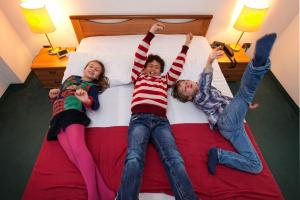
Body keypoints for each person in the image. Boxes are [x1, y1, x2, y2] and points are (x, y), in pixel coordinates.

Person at [172, 33, 277, 175]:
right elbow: (205, 82)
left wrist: (244, 104)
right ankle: (258, 64)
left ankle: (220, 155)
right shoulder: (200, 97)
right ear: (189, 98)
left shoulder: (205, 91)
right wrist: (209, 61)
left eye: (185, 83)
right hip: (225, 121)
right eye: (184, 89)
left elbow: (226, 100)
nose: (186, 85)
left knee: (256, 166)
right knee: (245, 92)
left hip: (233, 129)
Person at [117, 23, 198, 200]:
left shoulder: (165, 80)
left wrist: (186, 45)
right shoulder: (138, 76)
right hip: (139, 119)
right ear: (144, 68)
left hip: (161, 121)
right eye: (150, 65)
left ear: (161, 71)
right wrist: (151, 33)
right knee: (134, 157)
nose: (153, 68)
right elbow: (139, 55)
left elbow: (177, 65)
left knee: (174, 158)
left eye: (157, 67)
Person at [48, 60, 114, 200]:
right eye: (91, 66)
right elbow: (60, 94)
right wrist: (52, 95)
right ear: (84, 68)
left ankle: (93, 195)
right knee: (73, 156)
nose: (92, 69)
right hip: (57, 115)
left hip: (73, 112)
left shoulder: (93, 87)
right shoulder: (70, 78)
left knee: (79, 150)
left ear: (98, 77)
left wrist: (86, 100)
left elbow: (95, 106)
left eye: (96, 70)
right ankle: (105, 191)